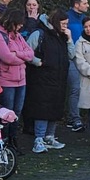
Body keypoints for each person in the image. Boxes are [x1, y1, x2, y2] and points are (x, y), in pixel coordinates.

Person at [23, 9, 72, 154]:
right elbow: (26, 51)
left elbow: (72, 54)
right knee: (42, 108)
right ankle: (38, 138)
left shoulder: (62, 36)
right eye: (63, 24)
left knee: (56, 106)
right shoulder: (40, 33)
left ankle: (50, 136)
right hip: (41, 78)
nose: (65, 27)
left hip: (59, 78)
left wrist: (69, 40)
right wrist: (38, 62)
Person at [0, 7, 36, 141]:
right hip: (4, 80)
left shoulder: (18, 36)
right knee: (6, 112)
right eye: (19, 23)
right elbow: (7, 58)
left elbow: (30, 53)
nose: (21, 26)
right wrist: (22, 57)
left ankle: (13, 140)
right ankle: (2, 140)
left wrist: (16, 54)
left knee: (17, 112)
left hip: (21, 80)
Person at [65, 0, 90, 129]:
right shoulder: (67, 17)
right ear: (76, 4)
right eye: (85, 3)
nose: (87, 5)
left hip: (84, 56)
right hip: (71, 57)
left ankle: (79, 115)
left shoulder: (84, 19)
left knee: (82, 87)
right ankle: (74, 118)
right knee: (75, 87)